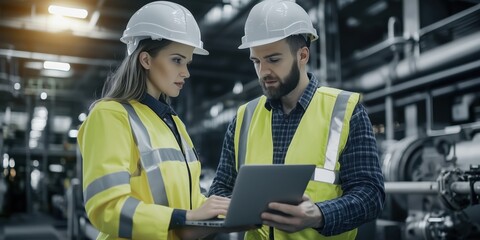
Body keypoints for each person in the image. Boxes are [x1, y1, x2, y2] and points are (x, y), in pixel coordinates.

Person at [208, 0, 385, 239]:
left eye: (273, 59)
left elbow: (371, 195)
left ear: (302, 55)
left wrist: (319, 215)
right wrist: (238, 209)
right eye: (256, 61)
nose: (263, 72)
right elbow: (220, 190)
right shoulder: (243, 118)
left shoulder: (345, 111)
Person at [78, 2, 233, 239]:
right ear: (146, 60)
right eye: (177, 60)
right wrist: (186, 217)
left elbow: (187, 200)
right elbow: (106, 207)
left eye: (187, 63)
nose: (186, 72)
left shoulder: (173, 123)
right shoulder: (110, 116)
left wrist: (222, 211)